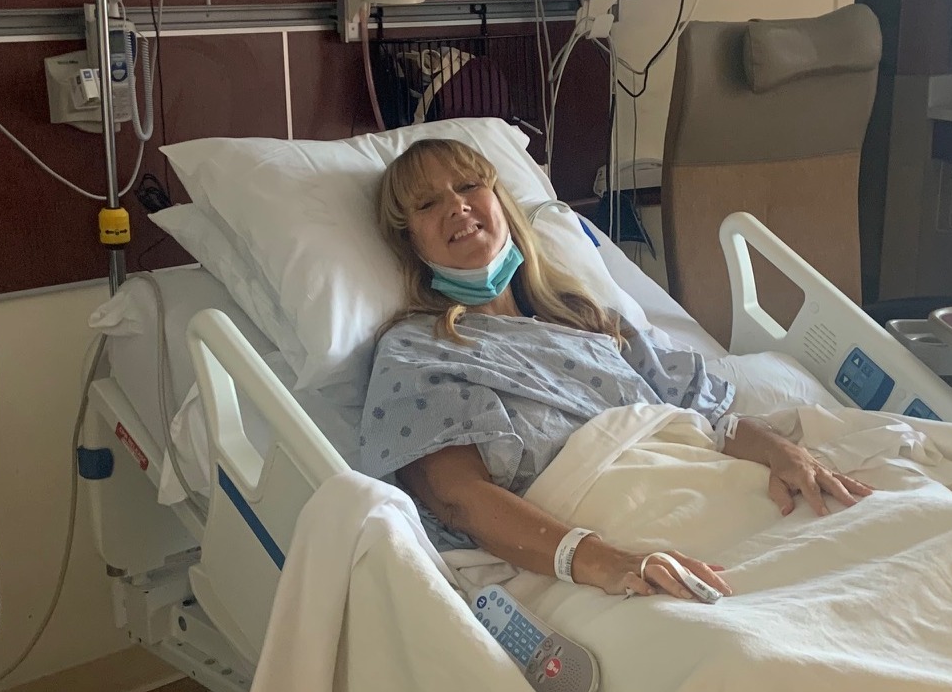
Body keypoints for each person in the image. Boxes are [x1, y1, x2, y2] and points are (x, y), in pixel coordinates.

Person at [359, 139, 871, 600]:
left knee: (870, 537)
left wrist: (781, 452)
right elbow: (460, 500)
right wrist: (606, 562)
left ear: (501, 203)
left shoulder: (584, 316)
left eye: (469, 185)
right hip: (598, 540)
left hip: (707, 486)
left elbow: (706, 416)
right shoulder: (419, 351)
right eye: (427, 204)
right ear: (410, 243)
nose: (456, 206)